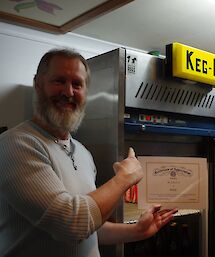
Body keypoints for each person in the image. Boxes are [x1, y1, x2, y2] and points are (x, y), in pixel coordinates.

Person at [0, 48, 177, 257]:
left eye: (77, 84)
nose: (68, 92)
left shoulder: (83, 153)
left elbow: (90, 226)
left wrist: (137, 231)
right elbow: (72, 224)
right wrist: (124, 178)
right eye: (59, 81)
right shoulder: (15, 144)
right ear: (38, 84)